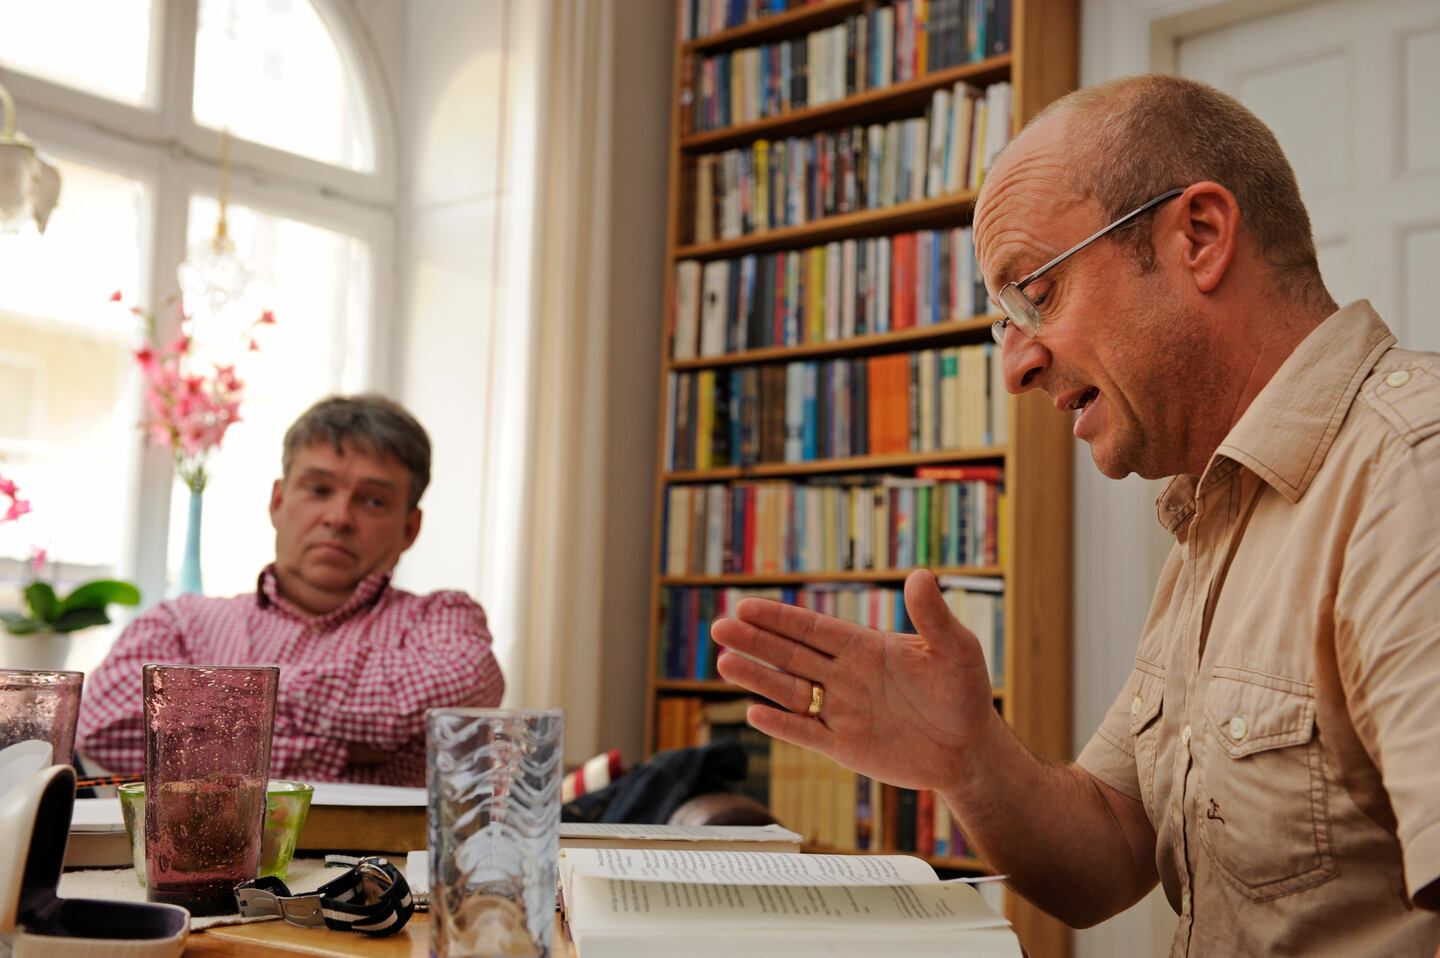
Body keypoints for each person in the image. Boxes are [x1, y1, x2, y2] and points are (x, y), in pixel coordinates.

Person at [711, 74, 1440, 955]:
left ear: (1199, 238)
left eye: (1036, 293)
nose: (1015, 367)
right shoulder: (1217, 515)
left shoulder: (1411, 476)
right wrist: (970, 757)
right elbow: (1111, 850)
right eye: (1002, 321)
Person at [77, 394, 504, 786]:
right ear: (278, 501)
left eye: (372, 501)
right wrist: (349, 745)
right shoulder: (180, 622)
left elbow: (468, 681)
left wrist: (204, 703)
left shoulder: (445, 618)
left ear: (409, 528)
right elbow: (104, 730)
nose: (338, 517)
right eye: (319, 490)